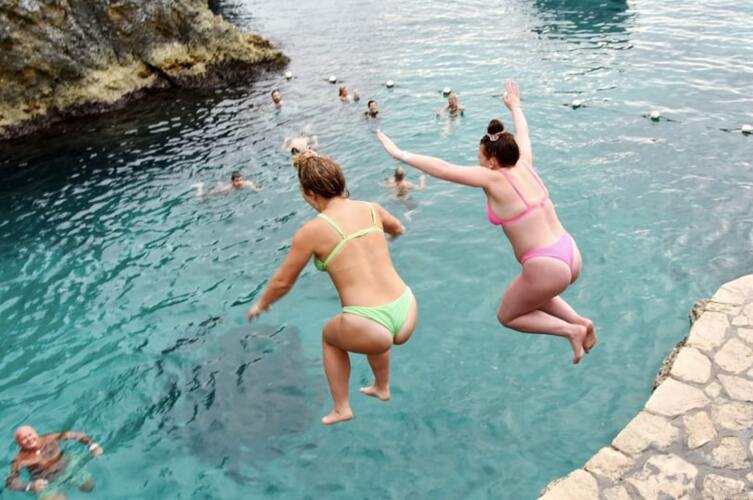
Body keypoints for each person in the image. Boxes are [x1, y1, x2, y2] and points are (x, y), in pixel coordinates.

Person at [377, 81, 595, 364]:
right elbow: (524, 133)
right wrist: (515, 106)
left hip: (547, 265)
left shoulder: (492, 178)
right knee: (534, 295)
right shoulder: (524, 163)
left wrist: (400, 154)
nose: (477, 161)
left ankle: (571, 330)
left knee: (508, 315)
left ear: (492, 161)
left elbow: (444, 169)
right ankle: (580, 321)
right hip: (569, 252)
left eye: (479, 157)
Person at [247, 151, 417, 425]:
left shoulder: (313, 231)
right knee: (369, 330)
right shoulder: (371, 208)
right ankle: (381, 386)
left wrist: (262, 303)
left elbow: (282, 282)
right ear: (341, 181)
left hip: (371, 325)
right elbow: (398, 229)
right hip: (406, 307)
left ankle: (341, 408)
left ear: (309, 193)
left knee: (330, 336)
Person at [5, 426, 103, 500]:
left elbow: (77, 435)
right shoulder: (20, 459)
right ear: (19, 443)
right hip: (46, 482)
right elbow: (11, 482)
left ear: (36, 433)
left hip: (68, 467)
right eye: (23, 438)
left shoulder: (50, 438)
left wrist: (93, 446)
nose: (29, 439)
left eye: (30, 435)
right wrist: (30, 486)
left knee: (88, 487)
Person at [192, 171, 261, 197]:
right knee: (200, 198)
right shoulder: (227, 188)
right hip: (221, 187)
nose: (240, 182)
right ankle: (200, 186)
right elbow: (212, 193)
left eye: (241, 180)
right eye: (237, 181)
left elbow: (254, 187)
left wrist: (258, 188)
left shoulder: (247, 183)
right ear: (232, 181)